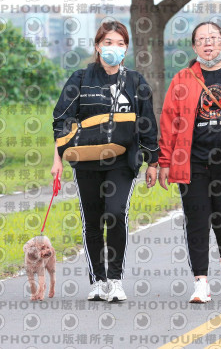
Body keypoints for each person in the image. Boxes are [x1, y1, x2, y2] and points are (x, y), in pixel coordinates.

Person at [51, 21, 159, 302]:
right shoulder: (80, 79)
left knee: (115, 213)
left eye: (120, 43)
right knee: (93, 220)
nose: (114, 48)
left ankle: (116, 279)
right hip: (86, 160)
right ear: (98, 46)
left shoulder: (135, 81)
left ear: (126, 49)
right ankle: (98, 280)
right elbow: (61, 121)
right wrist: (57, 159)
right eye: (108, 42)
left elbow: (147, 122)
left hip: (123, 161)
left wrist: (153, 161)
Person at [158, 21, 221, 303]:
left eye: (213, 38)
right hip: (192, 162)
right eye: (201, 39)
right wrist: (164, 161)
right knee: (197, 222)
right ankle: (200, 282)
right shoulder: (182, 79)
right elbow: (169, 121)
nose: (208, 43)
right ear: (194, 46)